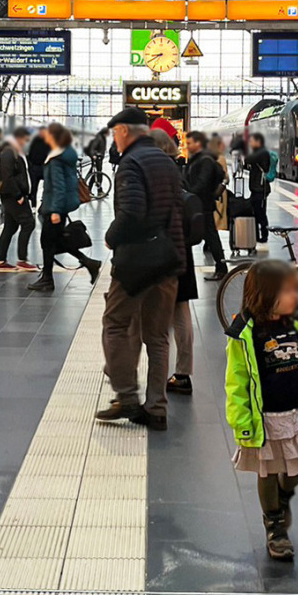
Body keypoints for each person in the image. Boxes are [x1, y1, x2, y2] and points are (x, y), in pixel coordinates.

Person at [226, 260, 298, 559]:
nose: (295, 297)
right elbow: (235, 383)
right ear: (266, 295)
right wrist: (241, 421)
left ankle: (284, 493)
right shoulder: (246, 334)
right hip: (265, 419)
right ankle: (274, 525)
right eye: (288, 291)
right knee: (267, 471)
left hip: (294, 413)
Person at [97, 106, 185, 431]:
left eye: (115, 133)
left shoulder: (130, 163)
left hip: (137, 260)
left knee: (115, 323)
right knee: (158, 336)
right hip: (169, 258)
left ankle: (126, 397)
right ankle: (157, 408)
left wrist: (111, 237)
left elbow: (132, 212)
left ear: (124, 131)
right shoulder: (168, 162)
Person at [29, 123, 100, 291]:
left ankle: (48, 279)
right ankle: (87, 263)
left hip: (55, 208)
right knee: (54, 240)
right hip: (57, 206)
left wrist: (55, 210)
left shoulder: (56, 160)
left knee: (48, 242)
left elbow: (59, 187)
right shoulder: (66, 154)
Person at [152, 128, 197, 395]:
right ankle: (183, 372)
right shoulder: (180, 168)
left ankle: (161, 372)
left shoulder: (158, 172)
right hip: (183, 250)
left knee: (160, 314)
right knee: (181, 312)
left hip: (165, 250)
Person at [184, 130, 227, 281]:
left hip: (203, 204)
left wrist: (188, 192)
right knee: (210, 236)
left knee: (211, 236)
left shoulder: (205, 160)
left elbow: (202, 183)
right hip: (200, 204)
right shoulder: (197, 159)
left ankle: (222, 268)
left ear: (198, 143)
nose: (187, 146)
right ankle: (221, 268)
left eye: (189, 143)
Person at [0, 126, 37, 272]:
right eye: (25, 140)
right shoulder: (8, 153)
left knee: (10, 227)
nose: (26, 142)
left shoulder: (16, 152)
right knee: (29, 223)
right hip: (13, 197)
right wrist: (18, 195)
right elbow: (7, 177)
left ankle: (1, 261)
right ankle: (22, 260)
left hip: (14, 196)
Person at [244, 132, 272, 243]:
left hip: (260, 188)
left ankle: (264, 235)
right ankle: (257, 235)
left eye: (252, 141)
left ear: (258, 142)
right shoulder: (259, 153)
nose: (250, 143)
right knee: (256, 211)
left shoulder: (262, 153)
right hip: (257, 188)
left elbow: (248, 160)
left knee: (260, 212)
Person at [208, 134, 230, 232]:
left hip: (211, 191)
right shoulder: (220, 158)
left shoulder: (208, 156)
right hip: (219, 192)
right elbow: (225, 176)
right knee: (217, 219)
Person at [27, 129, 48, 208]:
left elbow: (29, 155)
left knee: (34, 187)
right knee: (45, 187)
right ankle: (41, 205)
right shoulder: (48, 143)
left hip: (35, 168)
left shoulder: (33, 142)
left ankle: (34, 206)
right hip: (43, 167)